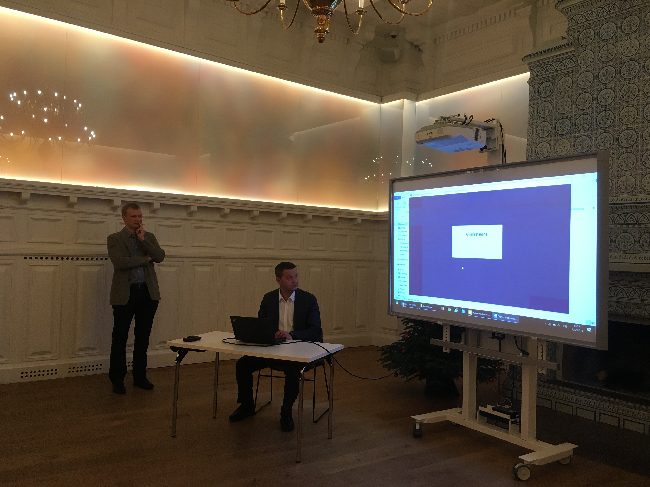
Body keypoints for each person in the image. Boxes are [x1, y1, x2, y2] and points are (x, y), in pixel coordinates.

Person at [229, 262, 322, 431]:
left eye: (296, 276)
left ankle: (286, 413)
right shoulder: (268, 298)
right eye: (289, 277)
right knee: (242, 364)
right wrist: (271, 335)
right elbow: (261, 325)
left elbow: (315, 330)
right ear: (278, 280)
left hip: (298, 349)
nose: (295, 280)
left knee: (293, 371)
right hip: (273, 348)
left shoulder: (308, 299)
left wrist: (292, 335)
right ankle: (247, 406)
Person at [107, 203, 165, 394]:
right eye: (133, 216)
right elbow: (120, 262)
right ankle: (117, 379)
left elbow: (159, 256)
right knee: (120, 337)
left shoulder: (148, 237)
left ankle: (140, 376)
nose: (138, 220)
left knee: (143, 337)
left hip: (147, 294)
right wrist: (145, 259)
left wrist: (143, 240)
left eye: (139, 216)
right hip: (125, 294)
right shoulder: (115, 239)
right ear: (124, 218)